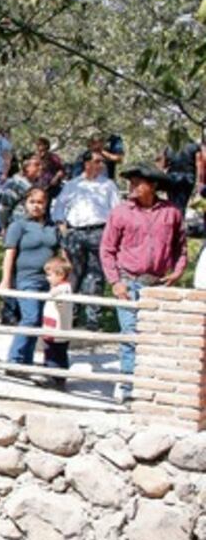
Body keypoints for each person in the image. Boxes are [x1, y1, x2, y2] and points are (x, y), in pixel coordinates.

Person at [100, 162, 187, 401]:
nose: (133, 187)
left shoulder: (171, 212)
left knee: (154, 337)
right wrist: (115, 282)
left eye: (138, 183)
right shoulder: (121, 212)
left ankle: (150, 386)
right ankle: (129, 389)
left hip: (157, 284)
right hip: (129, 280)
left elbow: (181, 247)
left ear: (154, 185)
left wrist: (177, 271)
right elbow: (107, 249)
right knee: (130, 335)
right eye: (131, 182)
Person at [51, 150, 119, 331]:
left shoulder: (108, 185)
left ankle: (92, 320)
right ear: (87, 163)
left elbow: (116, 210)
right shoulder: (73, 185)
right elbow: (59, 206)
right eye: (97, 161)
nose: (100, 165)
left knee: (95, 276)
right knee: (74, 273)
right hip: (76, 233)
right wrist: (61, 225)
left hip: (99, 231)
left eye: (102, 162)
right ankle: (70, 315)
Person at [0, 187, 61, 368]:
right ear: (26, 204)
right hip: (27, 279)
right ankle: (15, 359)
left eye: (40, 202)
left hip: (48, 281)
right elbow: (9, 253)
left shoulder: (52, 227)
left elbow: (59, 252)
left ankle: (26, 360)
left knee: (40, 321)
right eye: (32, 202)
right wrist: (6, 280)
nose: (36, 206)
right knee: (30, 317)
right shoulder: (18, 226)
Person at [41, 256, 73, 390]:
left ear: (60, 275)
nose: (47, 278)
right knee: (50, 352)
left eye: (50, 275)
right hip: (51, 327)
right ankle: (50, 376)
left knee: (57, 355)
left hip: (58, 329)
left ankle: (57, 379)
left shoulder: (64, 288)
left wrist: (53, 292)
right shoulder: (58, 287)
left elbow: (60, 292)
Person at [160, 123, 199, 215]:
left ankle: (175, 224)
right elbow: (199, 164)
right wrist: (200, 182)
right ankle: (179, 224)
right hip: (188, 177)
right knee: (182, 204)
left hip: (172, 177)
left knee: (173, 203)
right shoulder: (194, 146)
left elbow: (163, 164)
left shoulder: (168, 148)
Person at [0, 156, 42, 231]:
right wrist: (4, 227)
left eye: (41, 165)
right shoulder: (17, 184)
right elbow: (4, 207)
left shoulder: (36, 184)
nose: (40, 168)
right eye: (37, 165)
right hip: (18, 226)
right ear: (27, 168)